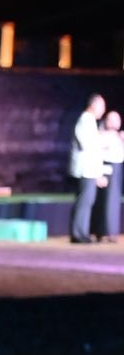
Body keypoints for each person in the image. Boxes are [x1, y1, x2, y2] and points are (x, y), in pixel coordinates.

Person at [69, 93, 108, 244]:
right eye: (101, 106)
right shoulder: (85, 120)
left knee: (88, 200)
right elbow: (89, 146)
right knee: (84, 201)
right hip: (86, 169)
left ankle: (82, 232)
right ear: (93, 105)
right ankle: (78, 233)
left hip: (90, 170)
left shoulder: (90, 121)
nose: (103, 110)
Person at [101, 110, 124, 243]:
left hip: (117, 168)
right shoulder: (103, 135)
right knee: (107, 201)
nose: (116, 122)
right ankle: (105, 231)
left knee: (114, 201)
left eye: (118, 120)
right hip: (107, 168)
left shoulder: (119, 136)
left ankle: (112, 231)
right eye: (113, 119)